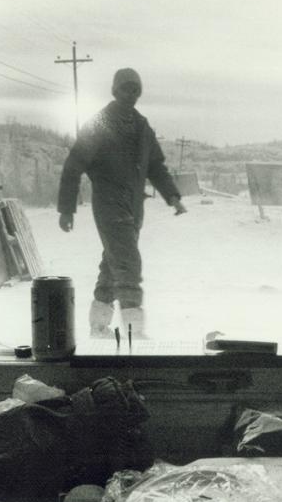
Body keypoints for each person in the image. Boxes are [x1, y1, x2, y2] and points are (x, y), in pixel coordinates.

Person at [57, 67, 186, 337]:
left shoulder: (142, 126)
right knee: (128, 263)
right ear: (115, 90)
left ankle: (98, 326)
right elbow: (73, 167)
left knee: (112, 264)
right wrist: (67, 208)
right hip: (108, 203)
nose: (131, 94)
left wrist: (172, 195)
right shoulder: (99, 123)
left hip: (134, 206)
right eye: (126, 88)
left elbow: (156, 166)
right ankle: (133, 331)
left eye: (136, 89)